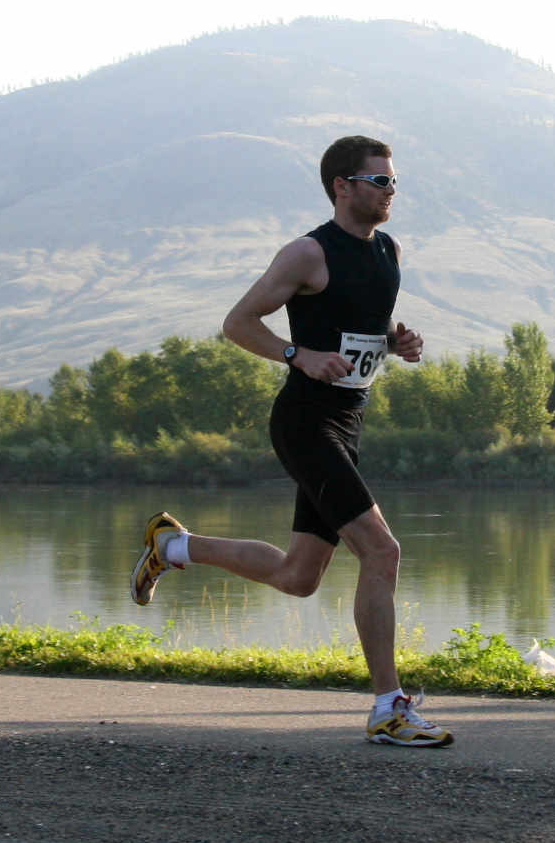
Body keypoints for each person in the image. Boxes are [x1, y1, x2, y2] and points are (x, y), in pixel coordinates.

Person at [128, 134, 451, 747]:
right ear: (342, 186)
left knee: (300, 575)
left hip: (348, 421)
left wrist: (394, 343)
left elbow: (365, 322)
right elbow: (238, 322)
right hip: (305, 422)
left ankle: (173, 546)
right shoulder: (307, 253)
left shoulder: (389, 250)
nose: (391, 192)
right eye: (378, 181)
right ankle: (388, 707)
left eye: (394, 181)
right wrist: (297, 354)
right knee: (383, 553)